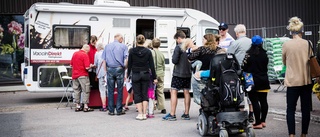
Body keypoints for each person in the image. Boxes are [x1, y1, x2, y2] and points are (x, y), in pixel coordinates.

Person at [282, 17, 313, 137]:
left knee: (290, 109)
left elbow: (284, 62)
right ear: (301, 31)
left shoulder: (286, 44)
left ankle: (291, 134)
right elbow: (311, 60)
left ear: (291, 31)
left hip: (291, 81)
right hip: (306, 80)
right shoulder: (308, 43)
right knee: (305, 109)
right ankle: (304, 134)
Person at [226, 24, 254, 122]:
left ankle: (240, 113)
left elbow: (228, 56)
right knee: (250, 92)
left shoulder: (235, 43)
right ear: (245, 32)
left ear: (237, 33)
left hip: (238, 71)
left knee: (239, 91)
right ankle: (251, 113)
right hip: (250, 72)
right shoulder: (251, 42)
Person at [162, 30, 192, 121]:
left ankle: (172, 114)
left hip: (178, 73)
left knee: (173, 91)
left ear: (179, 38)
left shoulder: (178, 47)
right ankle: (186, 114)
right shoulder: (190, 46)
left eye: (176, 39)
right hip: (188, 73)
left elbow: (174, 60)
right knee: (186, 92)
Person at [242, 35, 270, 129]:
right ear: (261, 43)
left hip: (252, 81)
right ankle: (263, 121)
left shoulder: (248, 54)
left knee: (254, 101)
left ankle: (257, 122)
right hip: (264, 80)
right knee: (263, 101)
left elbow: (244, 67)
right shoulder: (265, 54)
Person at [127, 34, 157, 120]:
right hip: (145, 74)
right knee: (144, 94)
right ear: (144, 41)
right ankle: (144, 113)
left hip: (135, 74)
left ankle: (140, 114)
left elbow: (129, 64)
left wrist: (128, 75)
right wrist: (154, 77)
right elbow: (152, 65)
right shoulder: (148, 51)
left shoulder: (132, 51)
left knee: (137, 94)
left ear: (136, 41)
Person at [188, 34, 223, 105]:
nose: (202, 41)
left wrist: (191, 50)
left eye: (203, 39)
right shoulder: (218, 49)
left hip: (203, 75)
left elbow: (190, 57)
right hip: (215, 75)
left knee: (203, 92)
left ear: (207, 40)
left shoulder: (202, 49)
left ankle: (201, 103)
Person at [102, 33, 128, 116]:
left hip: (110, 69)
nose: (122, 41)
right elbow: (126, 59)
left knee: (110, 90)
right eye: (122, 39)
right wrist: (125, 68)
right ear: (120, 39)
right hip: (119, 68)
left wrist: (106, 70)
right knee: (120, 90)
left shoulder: (107, 46)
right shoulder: (123, 46)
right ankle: (119, 110)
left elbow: (104, 60)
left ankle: (111, 110)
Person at [70, 44, 94, 112]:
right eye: (88, 51)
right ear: (86, 49)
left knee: (76, 90)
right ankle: (85, 106)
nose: (88, 52)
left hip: (75, 75)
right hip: (83, 75)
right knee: (86, 90)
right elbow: (87, 67)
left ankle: (77, 106)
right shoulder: (84, 55)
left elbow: (71, 65)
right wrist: (91, 66)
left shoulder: (75, 53)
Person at [151, 38, 167, 114]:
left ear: (152, 44)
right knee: (160, 91)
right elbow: (164, 65)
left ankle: (152, 106)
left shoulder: (151, 53)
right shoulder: (162, 54)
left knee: (151, 90)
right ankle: (162, 107)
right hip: (161, 73)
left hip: (153, 74)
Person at [94, 43, 107, 112]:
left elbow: (95, 64)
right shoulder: (107, 53)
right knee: (109, 90)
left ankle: (104, 106)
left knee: (102, 90)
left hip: (101, 74)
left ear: (98, 48)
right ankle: (110, 105)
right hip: (108, 74)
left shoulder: (97, 54)